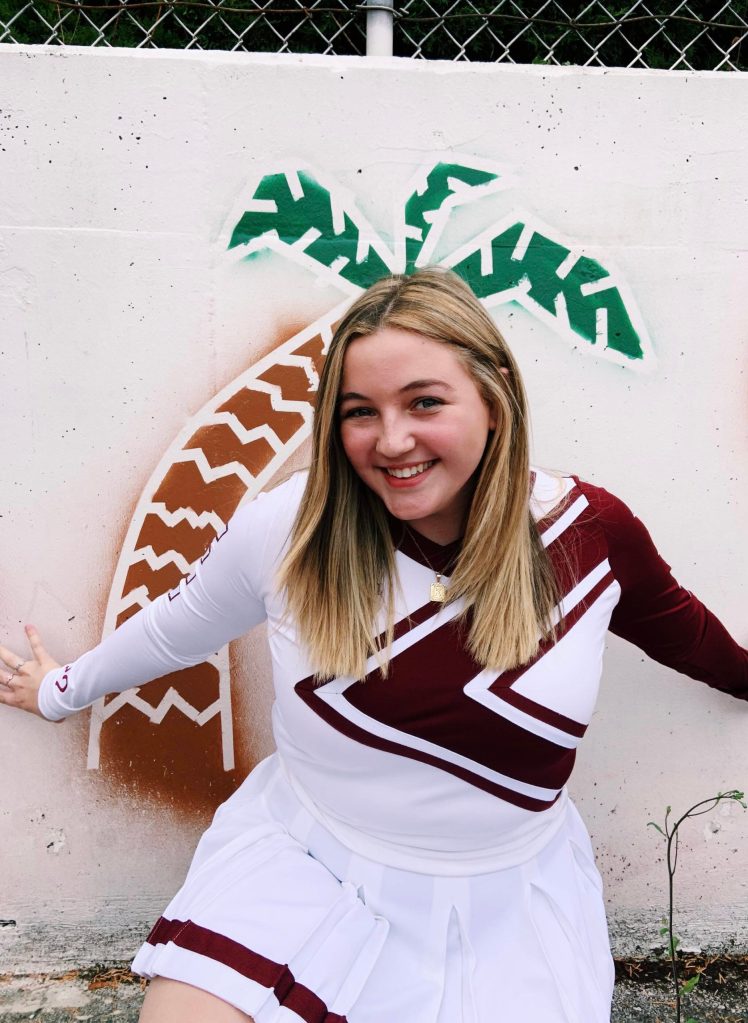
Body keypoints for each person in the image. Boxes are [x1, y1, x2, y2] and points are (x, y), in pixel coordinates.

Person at [1, 267, 746, 1023]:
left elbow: (681, 627)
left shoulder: (588, 534)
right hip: (307, 863)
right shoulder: (288, 530)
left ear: (494, 399)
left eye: (425, 401)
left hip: (505, 903)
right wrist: (60, 691)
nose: (391, 441)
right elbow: (177, 623)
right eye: (360, 412)